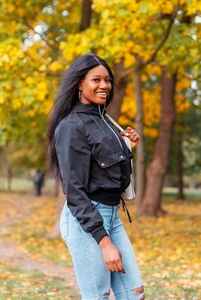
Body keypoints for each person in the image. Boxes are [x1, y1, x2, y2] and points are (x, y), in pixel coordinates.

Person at [46, 53, 145, 300]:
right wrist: (104, 242)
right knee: (98, 296)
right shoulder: (71, 126)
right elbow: (75, 191)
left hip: (111, 216)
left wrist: (125, 148)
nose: (104, 86)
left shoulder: (104, 121)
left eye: (108, 80)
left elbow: (107, 174)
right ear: (80, 83)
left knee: (135, 293)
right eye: (96, 80)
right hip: (86, 221)